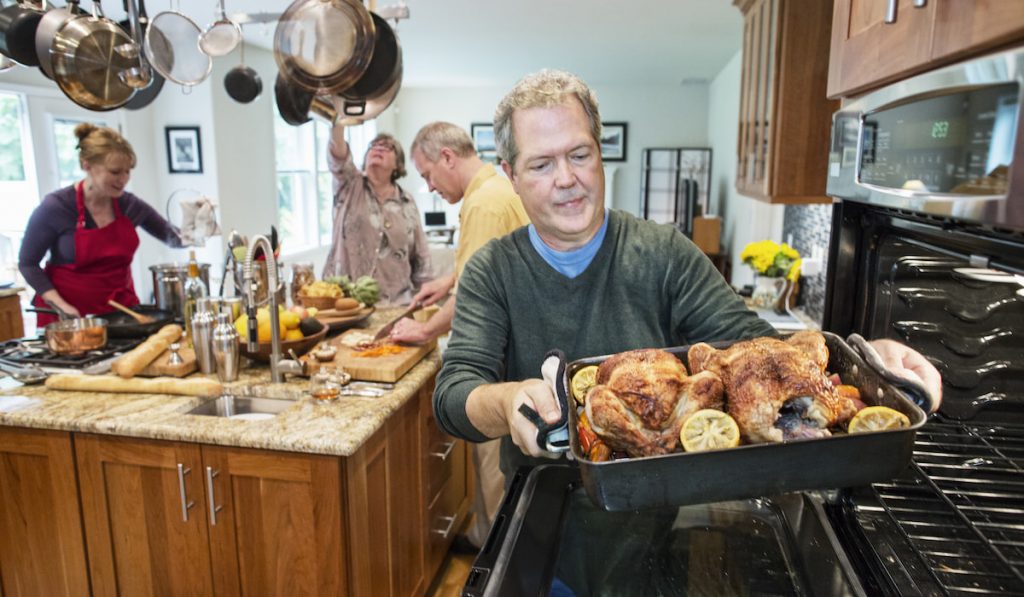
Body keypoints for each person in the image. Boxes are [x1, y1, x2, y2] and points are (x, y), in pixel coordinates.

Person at [432, 69, 944, 481]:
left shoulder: (663, 252)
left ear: (600, 153)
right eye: (542, 165)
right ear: (511, 175)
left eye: (580, 155)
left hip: (656, 507)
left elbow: (754, 346)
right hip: (538, 506)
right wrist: (506, 400)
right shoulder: (493, 269)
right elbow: (454, 395)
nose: (566, 179)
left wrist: (869, 363)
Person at [390, 121, 530, 549]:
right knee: (489, 460)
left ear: (448, 157)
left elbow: (476, 293)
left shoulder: (484, 202)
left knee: (493, 466)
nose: (429, 186)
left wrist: (426, 328)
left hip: (499, 354)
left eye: (429, 174)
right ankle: (484, 537)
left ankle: (502, 563)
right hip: (512, 345)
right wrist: (447, 281)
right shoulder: (491, 191)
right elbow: (486, 263)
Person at [19, 124, 183, 327]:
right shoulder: (57, 207)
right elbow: (27, 263)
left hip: (121, 314)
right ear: (86, 165)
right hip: (70, 319)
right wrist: (60, 304)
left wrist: (199, 226)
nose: (123, 180)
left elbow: (173, 237)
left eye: (127, 172)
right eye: (115, 172)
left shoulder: (129, 204)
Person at [322, 123, 432, 306]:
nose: (378, 148)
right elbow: (338, 155)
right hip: (346, 304)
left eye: (388, 147)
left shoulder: (407, 201)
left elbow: (421, 257)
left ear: (398, 164)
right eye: (373, 145)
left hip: (396, 304)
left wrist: (427, 302)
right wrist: (337, 121)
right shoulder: (349, 186)